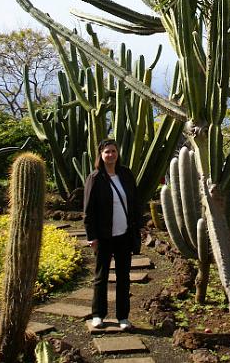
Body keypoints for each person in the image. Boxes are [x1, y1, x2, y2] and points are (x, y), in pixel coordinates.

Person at [83, 139, 142, 330]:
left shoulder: (126, 174)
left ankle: (123, 317)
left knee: (124, 278)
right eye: (107, 152)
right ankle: (98, 315)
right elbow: (88, 210)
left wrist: (137, 228)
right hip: (104, 236)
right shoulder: (95, 178)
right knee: (101, 277)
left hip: (124, 235)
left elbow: (134, 203)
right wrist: (92, 237)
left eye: (113, 151)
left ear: (118, 153)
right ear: (101, 155)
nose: (111, 155)